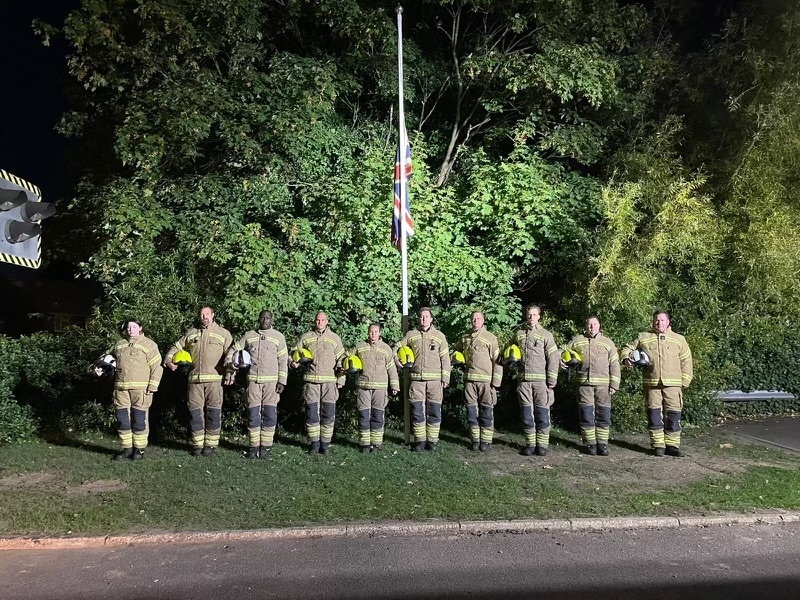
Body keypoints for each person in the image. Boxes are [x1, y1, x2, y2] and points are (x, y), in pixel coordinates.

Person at [621, 310, 693, 457]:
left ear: (668, 322)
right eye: (657, 320)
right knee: (654, 415)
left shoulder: (679, 339)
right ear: (653, 321)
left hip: (673, 385)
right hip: (652, 384)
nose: (659, 323)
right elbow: (626, 348)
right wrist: (626, 358)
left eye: (662, 320)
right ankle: (658, 446)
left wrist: (684, 382)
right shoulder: (643, 337)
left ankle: (672, 446)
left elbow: (687, 361)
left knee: (673, 415)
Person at [165, 306, 233, 457]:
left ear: (213, 315)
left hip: (215, 381)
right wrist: (168, 360)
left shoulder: (223, 333)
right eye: (202, 314)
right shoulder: (191, 333)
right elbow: (176, 347)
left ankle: (210, 445)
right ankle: (197, 445)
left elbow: (231, 355)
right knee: (195, 413)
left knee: (213, 413)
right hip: (194, 381)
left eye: (207, 314)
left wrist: (230, 373)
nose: (204, 317)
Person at [95, 318, 163, 461]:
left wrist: (153, 386)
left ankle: (139, 450)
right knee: (123, 419)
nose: (131, 329)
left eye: (134, 327)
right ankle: (127, 449)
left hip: (141, 389)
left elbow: (157, 367)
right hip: (121, 389)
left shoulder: (149, 344)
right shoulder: (120, 344)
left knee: (139, 419)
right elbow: (106, 359)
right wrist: (100, 368)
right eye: (128, 327)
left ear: (140, 328)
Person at [227, 310, 288, 459]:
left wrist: (282, 381)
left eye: (267, 318)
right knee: (253, 415)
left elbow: (283, 361)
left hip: (271, 384)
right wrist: (230, 363)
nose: (265, 320)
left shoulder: (279, 337)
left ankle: (265, 448)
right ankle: (253, 447)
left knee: (269, 415)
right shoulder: (249, 335)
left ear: (271, 320)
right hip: (253, 382)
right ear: (259, 319)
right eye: (262, 318)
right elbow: (234, 349)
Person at [395, 307, 451, 452]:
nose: (424, 319)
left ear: (431, 319)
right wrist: (397, 361)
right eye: (421, 316)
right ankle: (420, 441)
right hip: (416, 381)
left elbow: (445, 359)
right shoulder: (411, 335)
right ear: (418, 319)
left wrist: (445, 377)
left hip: (435, 381)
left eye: (426, 316)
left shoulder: (439, 336)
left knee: (434, 411)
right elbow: (396, 348)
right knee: (417, 411)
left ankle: (432, 441)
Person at [563, 316, 620, 456]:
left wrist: (614, 384)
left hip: (603, 385)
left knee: (603, 414)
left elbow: (615, 364)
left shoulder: (608, 343)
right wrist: (561, 358)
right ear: (585, 326)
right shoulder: (577, 340)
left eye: (594, 324)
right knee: (586, 414)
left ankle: (602, 444)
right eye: (589, 324)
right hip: (584, 384)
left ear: (599, 326)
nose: (592, 327)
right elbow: (562, 350)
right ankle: (590, 444)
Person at [290, 311, 346, 454]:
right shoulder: (306, 337)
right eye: (317, 320)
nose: (320, 322)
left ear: (327, 321)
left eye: (322, 320)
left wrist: (341, 378)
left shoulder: (335, 338)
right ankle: (314, 444)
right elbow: (294, 352)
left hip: (329, 382)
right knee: (311, 413)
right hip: (311, 381)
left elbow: (342, 358)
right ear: (314, 321)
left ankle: (325, 445)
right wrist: (293, 362)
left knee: (328, 413)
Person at [509, 304, 559, 456]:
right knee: (526, 414)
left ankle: (542, 445)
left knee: (542, 413)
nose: (531, 317)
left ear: (539, 316)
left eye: (534, 315)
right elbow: (509, 350)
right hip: (524, 382)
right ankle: (530, 444)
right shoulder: (519, 334)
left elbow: (553, 358)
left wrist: (552, 379)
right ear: (526, 315)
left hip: (541, 382)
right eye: (529, 314)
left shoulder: (546, 335)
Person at [452, 311, 502, 452]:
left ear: (483, 320)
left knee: (486, 411)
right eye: (474, 319)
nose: (476, 321)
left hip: (486, 381)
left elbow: (498, 361)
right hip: (470, 380)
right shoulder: (465, 338)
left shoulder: (490, 338)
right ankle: (475, 440)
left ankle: (485, 441)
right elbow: (454, 350)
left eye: (479, 318)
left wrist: (496, 382)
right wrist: (455, 358)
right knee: (471, 412)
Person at [350, 323, 400, 453]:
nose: (373, 334)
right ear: (368, 332)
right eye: (371, 331)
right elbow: (347, 357)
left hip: (380, 388)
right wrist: (341, 368)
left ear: (380, 333)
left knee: (378, 415)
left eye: (376, 332)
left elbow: (391, 369)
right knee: (363, 415)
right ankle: (365, 444)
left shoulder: (386, 349)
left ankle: (376, 444)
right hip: (363, 387)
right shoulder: (360, 347)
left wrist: (394, 385)